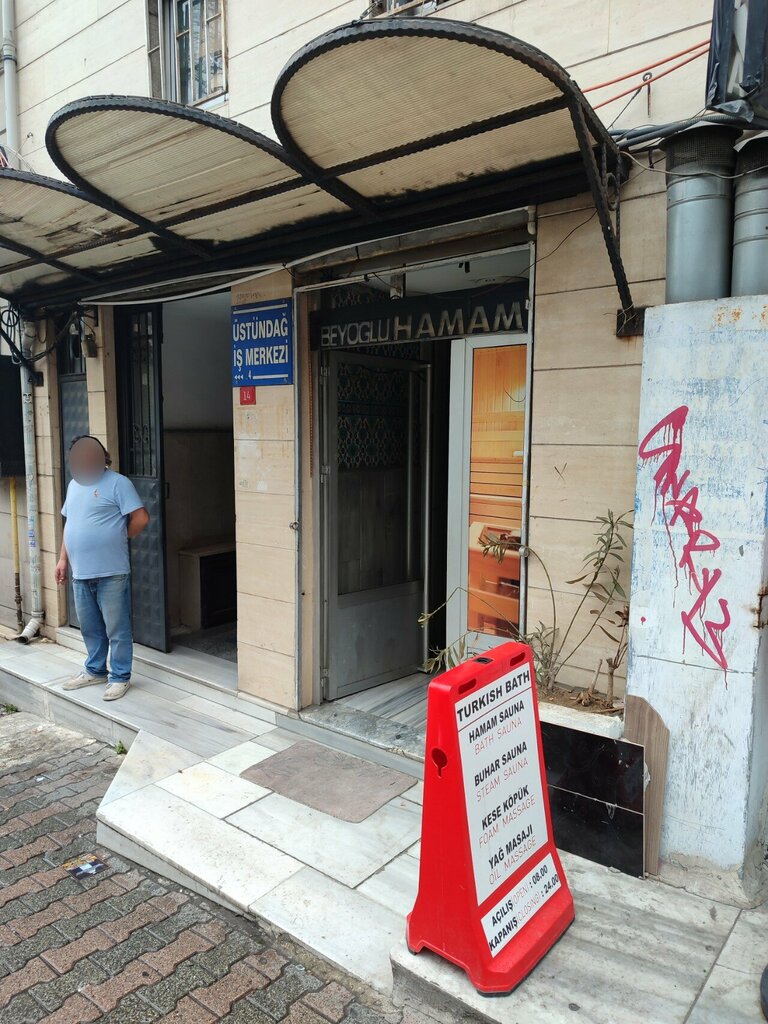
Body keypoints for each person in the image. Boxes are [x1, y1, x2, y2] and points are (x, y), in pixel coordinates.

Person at [55, 435, 149, 700]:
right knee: (90, 627)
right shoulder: (74, 485)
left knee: (117, 629)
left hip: (112, 571)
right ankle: (95, 670)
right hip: (80, 572)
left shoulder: (119, 483)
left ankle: (120, 676)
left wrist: (119, 536)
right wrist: (62, 559)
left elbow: (141, 518)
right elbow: (70, 524)